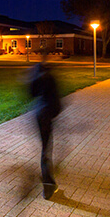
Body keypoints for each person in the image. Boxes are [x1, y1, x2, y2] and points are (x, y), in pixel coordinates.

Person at [29, 61, 62, 200]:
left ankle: (48, 180)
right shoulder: (50, 79)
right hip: (46, 115)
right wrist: (53, 114)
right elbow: (57, 103)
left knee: (45, 148)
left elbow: (31, 93)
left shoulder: (36, 77)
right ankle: (48, 186)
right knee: (46, 150)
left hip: (38, 113)